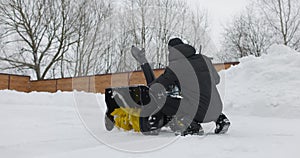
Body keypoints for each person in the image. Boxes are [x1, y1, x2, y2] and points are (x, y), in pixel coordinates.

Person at [130, 38, 230, 136]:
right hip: (217, 108)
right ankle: (221, 120)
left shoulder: (176, 66)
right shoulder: (204, 59)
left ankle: (191, 126)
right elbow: (217, 79)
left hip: (199, 113)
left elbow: (156, 87)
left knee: (164, 101)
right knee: (199, 99)